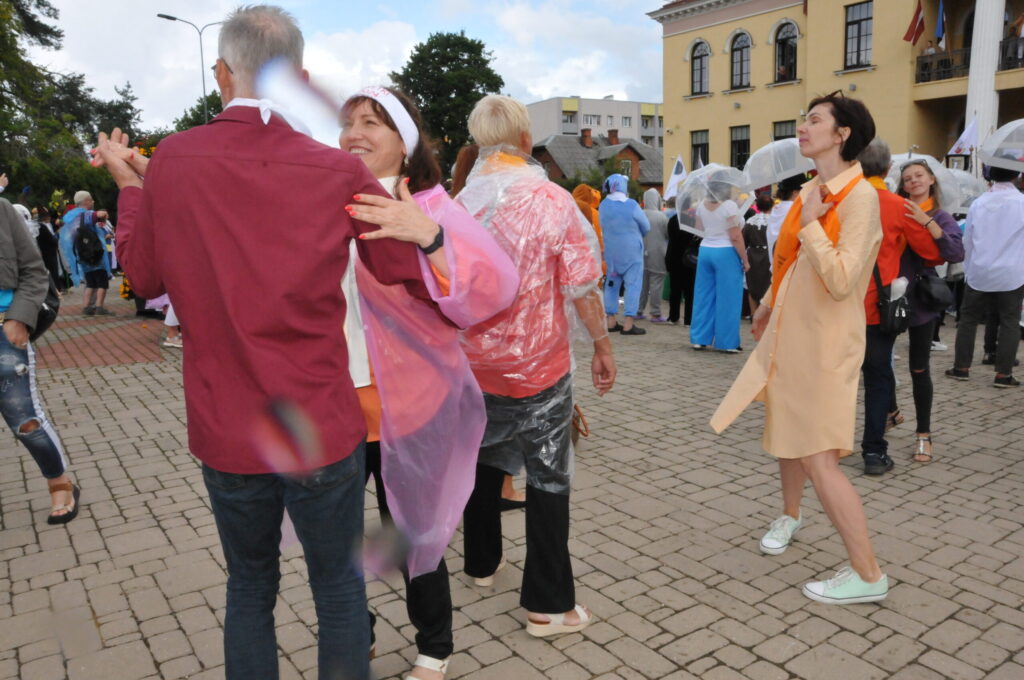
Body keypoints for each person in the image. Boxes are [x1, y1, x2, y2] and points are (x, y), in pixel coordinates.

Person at [93, 6, 437, 679]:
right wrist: (422, 225)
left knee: (250, 584)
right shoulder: (333, 170)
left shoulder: (175, 161)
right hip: (322, 421)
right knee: (337, 584)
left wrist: (132, 188)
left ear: (223, 72)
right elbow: (402, 271)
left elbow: (145, 276)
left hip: (228, 424)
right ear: (297, 77)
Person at [340, 85, 518, 680]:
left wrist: (428, 236)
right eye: (349, 123)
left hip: (409, 405)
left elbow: (493, 287)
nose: (356, 133)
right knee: (336, 536)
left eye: (373, 122)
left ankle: (433, 648)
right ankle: (353, 629)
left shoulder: (435, 206)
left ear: (404, 140)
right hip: (336, 406)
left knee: (416, 533)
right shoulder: (327, 203)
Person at [712, 92, 888, 604]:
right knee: (787, 433)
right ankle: (790, 515)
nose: (802, 129)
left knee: (819, 457)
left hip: (827, 343)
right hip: (794, 331)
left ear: (843, 134)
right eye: (803, 120)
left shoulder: (860, 198)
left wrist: (812, 221)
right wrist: (766, 303)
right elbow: (791, 261)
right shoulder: (814, 188)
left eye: (814, 121)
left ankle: (869, 574)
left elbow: (840, 278)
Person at [457, 94, 616, 637]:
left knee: (482, 458)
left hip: (473, 364)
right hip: (538, 365)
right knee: (548, 477)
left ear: (479, 141)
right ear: (526, 139)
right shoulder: (551, 199)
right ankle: (548, 604)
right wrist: (602, 345)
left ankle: (481, 563)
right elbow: (582, 285)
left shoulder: (458, 204)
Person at [856, 140, 951, 475]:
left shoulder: (836, 200)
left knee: (839, 374)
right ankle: (873, 451)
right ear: (887, 170)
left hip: (836, 303)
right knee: (878, 374)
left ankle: (832, 440)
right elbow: (934, 254)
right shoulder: (897, 205)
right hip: (876, 304)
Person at [0, 199, 78, 525]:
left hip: (4, 331)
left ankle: (60, 482)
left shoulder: (2, 210)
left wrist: (18, 319)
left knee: (25, 421)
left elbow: (34, 270)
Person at [884, 159, 964, 465]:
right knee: (877, 361)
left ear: (931, 179)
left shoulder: (941, 216)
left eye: (919, 175)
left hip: (922, 301)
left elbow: (955, 253)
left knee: (919, 369)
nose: (914, 181)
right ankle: (891, 411)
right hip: (892, 296)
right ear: (903, 185)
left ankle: (923, 435)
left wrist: (926, 222)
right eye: (908, 178)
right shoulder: (895, 210)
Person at [947, 164, 1024, 388]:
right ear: (1017, 174)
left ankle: (961, 368)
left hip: (980, 270)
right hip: (1012, 272)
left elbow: (968, 238)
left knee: (968, 320)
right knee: (1009, 322)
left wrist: (969, 267)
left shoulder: (979, 203)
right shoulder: (1021, 203)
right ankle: (1003, 374)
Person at [690, 181, 749, 352]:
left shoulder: (701, 205)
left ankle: (699, 339)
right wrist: (745, 260)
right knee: (728, 298)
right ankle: (727, 342)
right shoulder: (729, 206)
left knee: (703, 296)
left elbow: (698, 228)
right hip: (726, 252)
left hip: (706, 250)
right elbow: (735, 236)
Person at [600, 174, 650, 335]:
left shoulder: (603, 205)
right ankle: (628, 323)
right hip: (632, 251)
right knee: (633, 285)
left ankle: (611, 320)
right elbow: (646, 226)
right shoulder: (632, 205)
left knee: (612, 284)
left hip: (612, 251)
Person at [59, 191, 113, 315]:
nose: (93, 202)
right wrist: (103, 214)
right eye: (91, 199)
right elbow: (99, 214)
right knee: (102, 282)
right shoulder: (87, 214)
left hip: (82, 254)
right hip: (95, 253)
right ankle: (99, 307)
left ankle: (86, 307)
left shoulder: (69, 216)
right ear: (86, 201)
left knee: (90, 283)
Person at [665, 200, 698, 325]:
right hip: (688, 258)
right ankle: (688, 319)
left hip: (673, 256)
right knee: (689, 290)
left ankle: (673, 316)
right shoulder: (692, 220)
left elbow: (670, 237)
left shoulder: (673, 219)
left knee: (675, 289)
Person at [639, 189, 669, 322]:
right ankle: (655, 313)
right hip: (658, 253)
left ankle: (637, 310)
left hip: (640, 253)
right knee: (656, 284)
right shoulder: (662, 217)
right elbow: (668, 235)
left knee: (642, 284)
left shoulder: (639, 214)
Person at [742, 193, 773, 316]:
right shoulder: (774, 220)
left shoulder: (750, 221)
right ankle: (765, 316)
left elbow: (745, 240)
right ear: (771, 206)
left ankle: (754, 315)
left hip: (753, 254)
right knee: (767, 285)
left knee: (752, 286)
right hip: (768, 255)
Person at [766, 174, 803, 266]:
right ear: (795, 192)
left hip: (775, 262)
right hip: (790, 264)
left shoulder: (776, 208)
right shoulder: (795, 209)